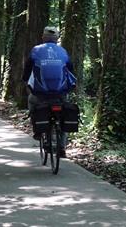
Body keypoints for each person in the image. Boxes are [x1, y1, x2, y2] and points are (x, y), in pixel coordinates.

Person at [22, 26, 76, 158]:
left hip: (41, 93)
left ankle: (38, 130)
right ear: (57, 39)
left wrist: (25, 82)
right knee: (63, 115)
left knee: (32, 101)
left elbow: (28, 70)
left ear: (43, 37)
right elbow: (71, 70)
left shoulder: (36, 50)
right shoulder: (63, 51)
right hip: (60, 93)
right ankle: (62, 147)